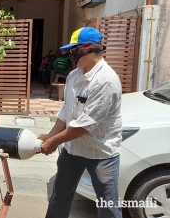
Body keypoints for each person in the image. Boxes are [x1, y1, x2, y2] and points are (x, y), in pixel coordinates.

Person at [39, 27, 123, 218]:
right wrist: (50, 136)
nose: (71, 57)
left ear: (90, 49)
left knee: (107, 205)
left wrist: (54, 142)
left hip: (101, 153)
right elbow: (66, 111)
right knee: (59, 197)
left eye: (74, 51)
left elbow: (84, 126)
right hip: (73, 149)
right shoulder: (74, 75)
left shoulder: (106, 81)